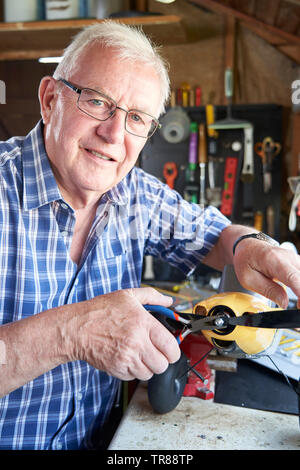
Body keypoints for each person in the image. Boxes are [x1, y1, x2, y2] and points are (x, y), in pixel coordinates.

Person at [0, 20, 299, 451]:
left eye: (136, 118)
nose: (114, 134)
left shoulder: (134, 193)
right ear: (50, 100)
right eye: (98, 102)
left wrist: (252, 246)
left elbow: (217, 235)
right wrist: (72, 333)